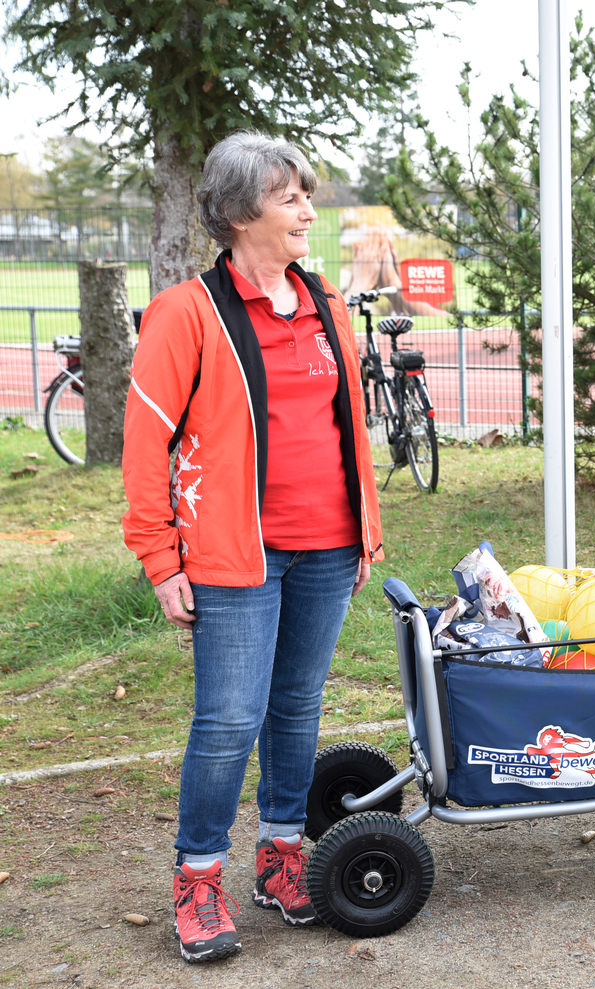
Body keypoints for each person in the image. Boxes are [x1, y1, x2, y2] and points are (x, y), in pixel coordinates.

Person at [121, 132, 384, 963]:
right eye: (290, 197)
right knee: (229, 719)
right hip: (236, 556)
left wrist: (364, 531)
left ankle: (280, 855)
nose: (309, 209)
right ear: (239, 214)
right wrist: (161, 558)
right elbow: (144, 445)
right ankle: (198, 878)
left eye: (307, 194)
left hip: (329, 548)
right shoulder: (185, 313)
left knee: (297, 709)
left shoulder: (327, 304)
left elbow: (347, 430)